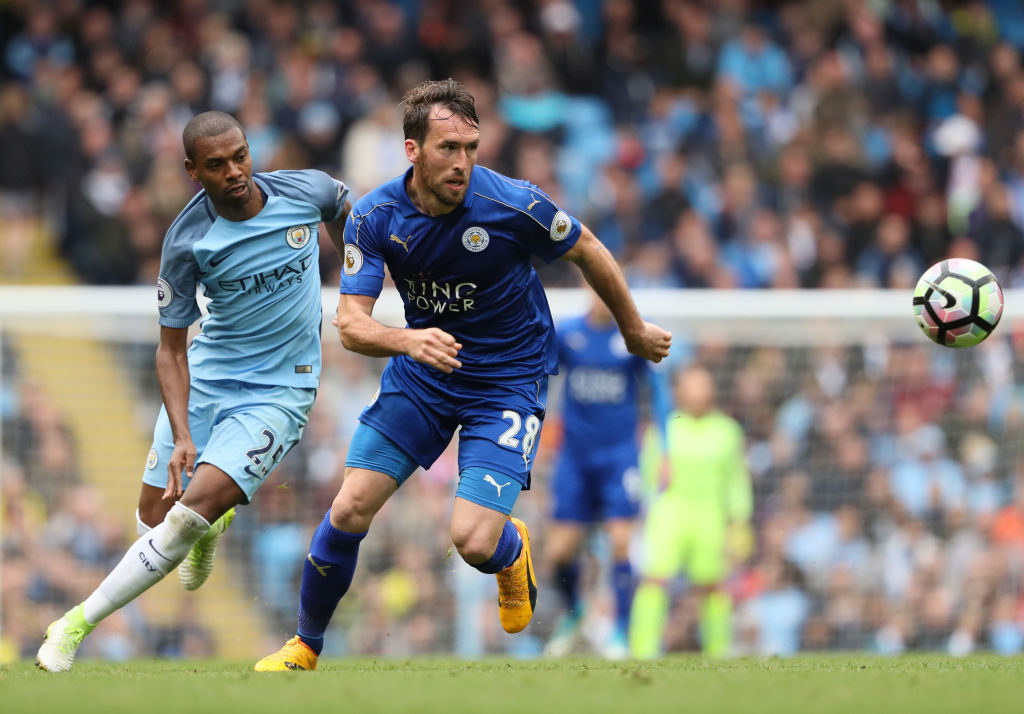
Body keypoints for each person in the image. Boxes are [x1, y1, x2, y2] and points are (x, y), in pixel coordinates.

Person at [254, 78, 671, 671]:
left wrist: (631, 328)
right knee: (348, 509)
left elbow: (588, 248)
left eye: (471, 147)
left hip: (507, 378)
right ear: (412, 150)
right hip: (425, 371)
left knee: (473, 541)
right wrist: (408, 340)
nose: (463, 162)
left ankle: (510, 552)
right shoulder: (373, 217)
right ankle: (305, 646)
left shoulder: (513, 203)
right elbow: (350, 324)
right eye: (448, 148)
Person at [35, 111, 351, 672]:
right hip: (206, 378)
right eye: (216, 165)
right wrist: (183, 435)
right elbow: (171, 349)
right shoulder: (187, 240)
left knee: (187, 515)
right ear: (191, 171)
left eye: (240, 157)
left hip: (279, 392)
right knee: (154, 522)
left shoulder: (309, 191)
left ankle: (72, 625)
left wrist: (358, 287)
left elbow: (352, 220)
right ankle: (210, 529)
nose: (234, 172)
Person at [542, 285, 671, 658]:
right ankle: (577, 615)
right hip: (575, 458)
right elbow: (541, 377)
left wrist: (665, 448)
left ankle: (619, 633)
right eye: (595, 288)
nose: (602, 295)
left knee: (619, 541)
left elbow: (659, 393)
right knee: (560, 551)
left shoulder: (632, 336)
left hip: (620, 457)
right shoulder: (567, 334)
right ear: (587, 290)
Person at [629, 366, 753, 659]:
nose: (699, 391)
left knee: (713, 585)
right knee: (655, 579)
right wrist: (640, 514)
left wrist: (740, 520)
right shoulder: (665, 428)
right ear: (679, 391)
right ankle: (642, 649)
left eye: (704, 384)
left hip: (711, 515)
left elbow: (736, 479)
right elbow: (648, 475)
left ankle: (718, 650)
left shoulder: (727, 430)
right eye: (692, 384)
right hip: (668, 514)